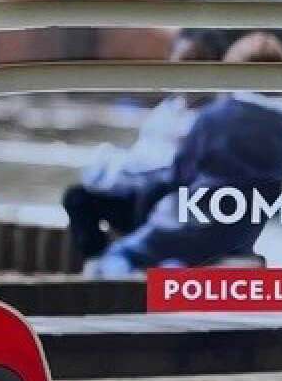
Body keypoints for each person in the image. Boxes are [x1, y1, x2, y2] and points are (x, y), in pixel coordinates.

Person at [87, 31, 282, 275]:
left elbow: (179, 175)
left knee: (120, 254)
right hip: (243, 234)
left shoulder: (214, 117)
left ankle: (125, 293)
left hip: (193, 227)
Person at [62, 29, 227, 263]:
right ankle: (99, 265)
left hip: (182, 209)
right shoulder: (167, 109)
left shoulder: (219, 116)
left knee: (156, 193)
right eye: (184, 62)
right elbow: (142, 156)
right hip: (142, 196)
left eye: (199, 62)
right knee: (78, 197)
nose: (190, 70)